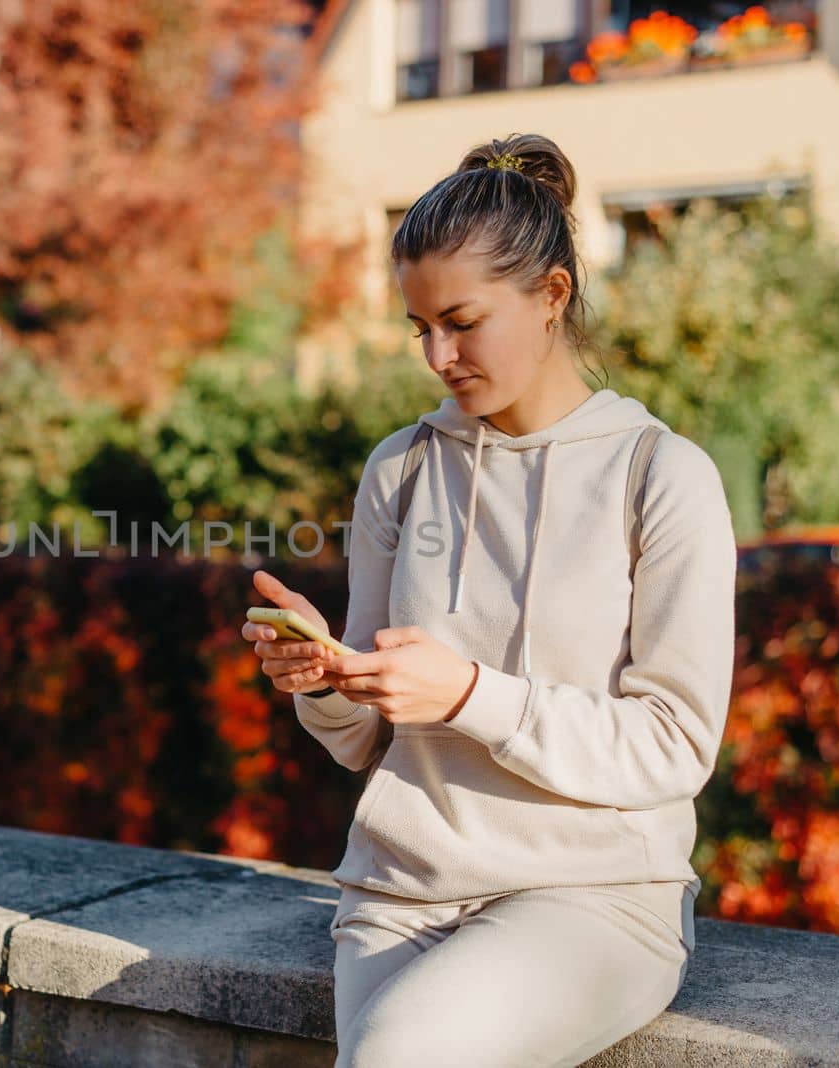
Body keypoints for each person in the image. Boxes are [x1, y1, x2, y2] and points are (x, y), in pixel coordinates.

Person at [241, 133, 737, 1066]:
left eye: (462, 321)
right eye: (420, 327)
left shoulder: (659, 475)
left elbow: (675, 744)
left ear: (551, 295)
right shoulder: (403, 469)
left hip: (592, 900)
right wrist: (323, 676)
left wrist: (471, 695)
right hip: (396, 896)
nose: (438, 355)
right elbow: (358, 741)